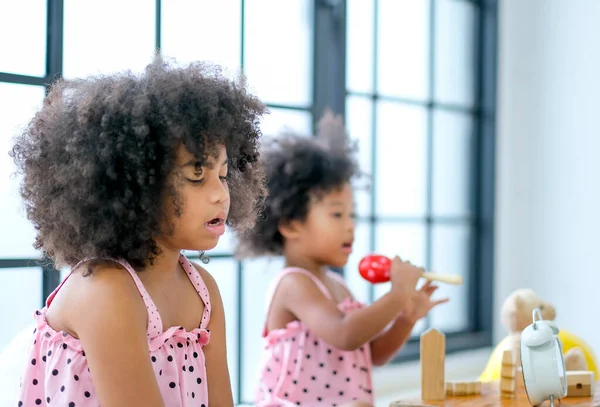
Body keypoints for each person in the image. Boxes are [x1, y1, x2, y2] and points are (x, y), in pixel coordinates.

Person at [10, 56, 267, 406]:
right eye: (196, 175)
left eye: (223, 175)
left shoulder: (203, 291)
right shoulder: (106, 290)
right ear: (135, 185)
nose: (221, 194)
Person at [234, 111, 449, 407]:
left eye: (352, 215)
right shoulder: (294, 284)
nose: (350, 225)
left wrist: (404, 318)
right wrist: (397, 294)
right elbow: (345, 333)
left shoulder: (337, 286)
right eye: (337, 214)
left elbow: (372, 353)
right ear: (291, 224)